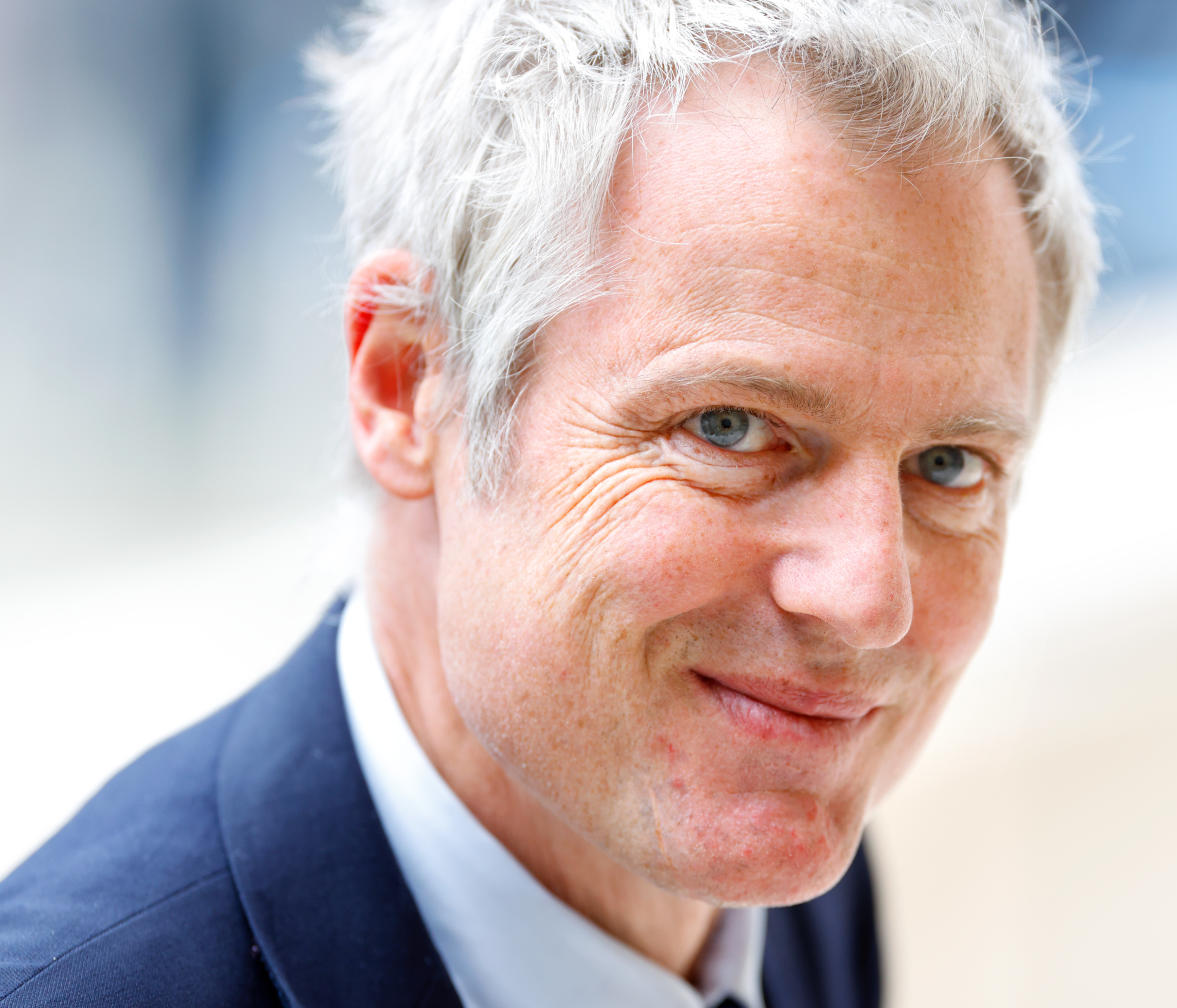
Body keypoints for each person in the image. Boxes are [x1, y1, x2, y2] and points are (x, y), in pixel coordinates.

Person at [0, 1, 1099, 1005]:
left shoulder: (793, 868)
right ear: (406, 384)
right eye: (729, 428)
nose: (869, 601)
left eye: (950, 465)